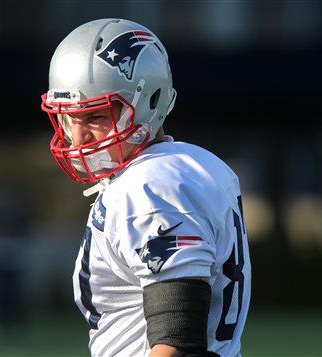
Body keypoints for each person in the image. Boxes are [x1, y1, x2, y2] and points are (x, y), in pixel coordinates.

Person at [40, 18, 251, 357]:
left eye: (95, 117)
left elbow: (178, 340)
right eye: (69, 117)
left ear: (149, 102)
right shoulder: (197, 164)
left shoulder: (148, 186)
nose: (78, 138)